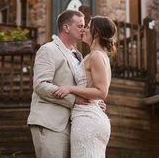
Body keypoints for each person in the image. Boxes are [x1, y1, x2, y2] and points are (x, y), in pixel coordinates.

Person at [27, 9, 89, 158]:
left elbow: (80, 87)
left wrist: (94, 102)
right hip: (49, 123)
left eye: (84, 26)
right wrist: (75, 100)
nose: (84, 30)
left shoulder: (78, 55)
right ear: (66, 27)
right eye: (80, 26)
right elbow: (41, 85)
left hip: (73, 124)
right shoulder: (48, 50)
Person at [53, 15, 117, 158]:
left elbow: (101, 91)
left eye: (87, 27)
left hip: (87, 120)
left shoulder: (95, 56)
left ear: (97, 32)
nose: (84, 30)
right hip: (91, 116)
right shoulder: (99, 56)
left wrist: (69, 89)